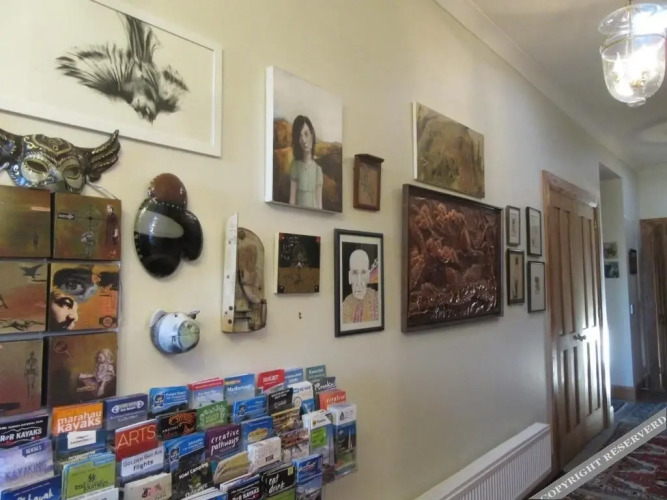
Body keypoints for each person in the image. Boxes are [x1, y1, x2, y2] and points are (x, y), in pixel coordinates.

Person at [289, 115, 323, 209]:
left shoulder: (317, 170)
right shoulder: (295, 166)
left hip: (314, 216)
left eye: (306, 134)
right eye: (300, 136)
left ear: (312, 134)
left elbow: (319, 205)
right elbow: (292, 201)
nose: (303, 140)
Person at [341, 249, 379, 323]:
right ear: (350, 277)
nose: (359, 282)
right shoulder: (345, 306)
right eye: (355, 273)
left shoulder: (377, 301)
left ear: (368, 276)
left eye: (363, 273)